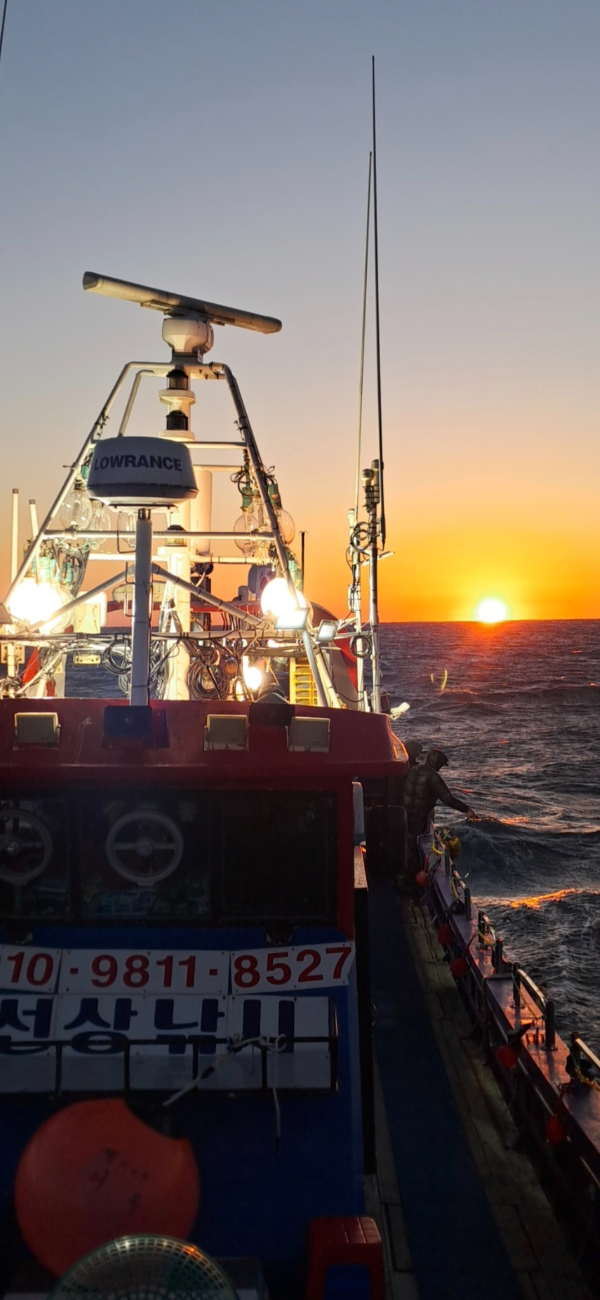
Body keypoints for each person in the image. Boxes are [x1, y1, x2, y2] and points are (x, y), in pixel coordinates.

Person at [401, 748, 476, 880]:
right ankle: (411, 882)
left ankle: (403, 875)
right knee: (414, 850)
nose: (440, 768)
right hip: (418, 817)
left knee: (407, 846)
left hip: (405, 814)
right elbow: (448, 799)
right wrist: (467, 809)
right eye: (441, 765)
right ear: (436, 763)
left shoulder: (413, 769)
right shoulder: (433, 777)